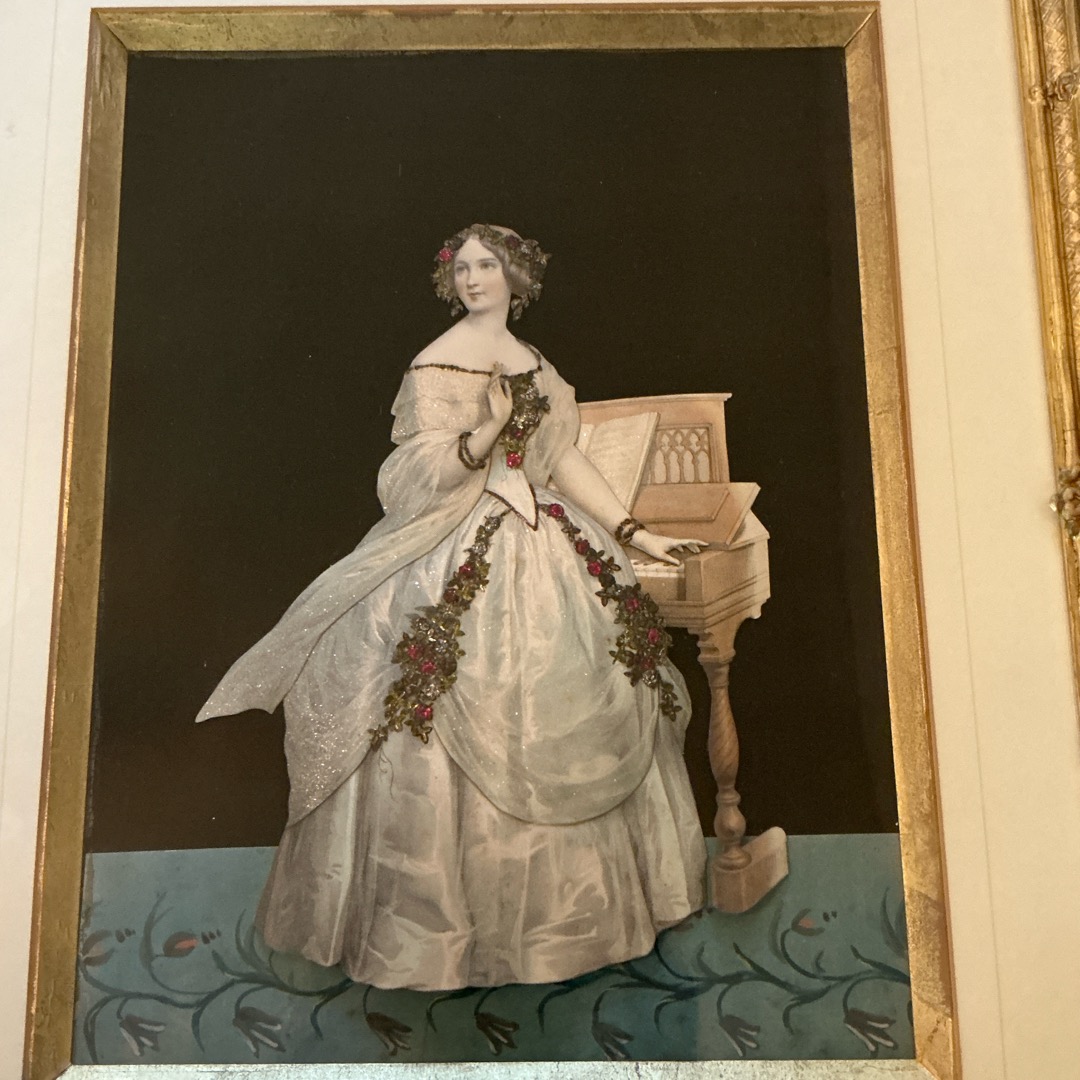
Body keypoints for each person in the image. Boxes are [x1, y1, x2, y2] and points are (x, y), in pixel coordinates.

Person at [197, 224, 708, 991]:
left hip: (549, 536)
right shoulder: (437, 361)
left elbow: (562, 457)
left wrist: (635, 532)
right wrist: (487, 431)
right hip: (459, 543)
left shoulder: (533, 359)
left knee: (575, 686)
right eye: (462, 268)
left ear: (517, 277)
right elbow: (408, 477)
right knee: (446, 704)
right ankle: (448, 939)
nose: (473, 279)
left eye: (487, 266)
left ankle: (567, 926)